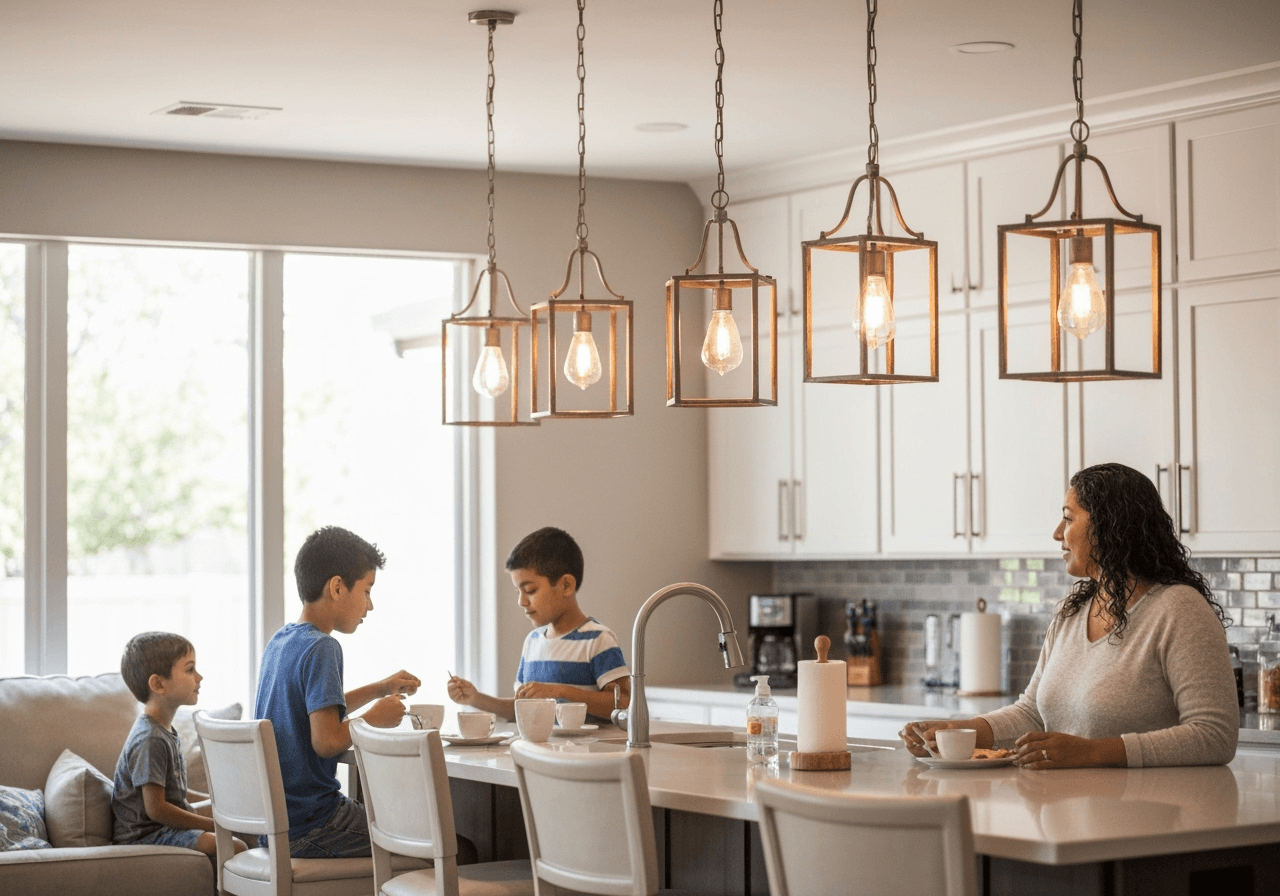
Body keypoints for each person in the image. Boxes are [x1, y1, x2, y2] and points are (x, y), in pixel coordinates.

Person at [900, 463, 1238, 769]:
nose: (1058, 532)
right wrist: (959, 731)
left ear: (1109, 525)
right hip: (1065, 810)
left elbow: (1214, 735)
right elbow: (1032, 713)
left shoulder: (1178, 609)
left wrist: (1092, 752)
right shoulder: (1071, 613)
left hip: (1147, 818)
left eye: (1069, 517)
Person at [255, 526, 421, 858]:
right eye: (367, 590)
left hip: (275, 825)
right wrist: (373, 719)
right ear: (336, 587)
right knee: (445, 844)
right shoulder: (323, 647)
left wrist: (380, 688)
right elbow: (327, 741)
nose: (370, 605)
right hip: (313, 823)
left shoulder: (282, 642)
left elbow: (317, 711)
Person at [448, 526, 630, 721]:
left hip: (588, 751)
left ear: (566, 585)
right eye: (518, 591)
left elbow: (622, 702)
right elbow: (519, 709)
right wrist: (476, 699)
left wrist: (561, 691)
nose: (521, 601)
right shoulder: (533, 641)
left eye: (530, 590)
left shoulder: (598, 639)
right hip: (543, 751)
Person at [112, 631, 248, 857]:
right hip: (147, 837)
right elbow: (157, 810)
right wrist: (214, 825)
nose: (199, 677)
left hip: (163, 829)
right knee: (236, 846)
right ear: (158, 684)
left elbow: (176, 795)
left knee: (248, 829)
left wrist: (219, 802)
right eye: (189, 669)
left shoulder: (164, 730)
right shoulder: (150, 738)